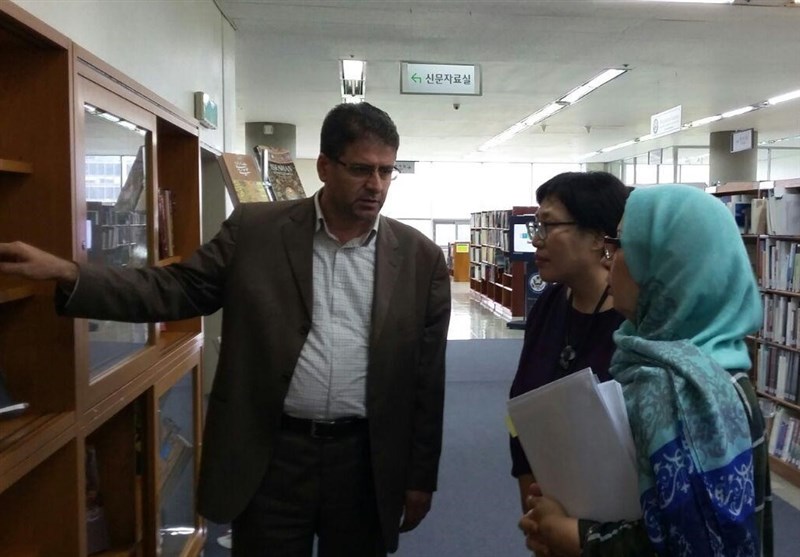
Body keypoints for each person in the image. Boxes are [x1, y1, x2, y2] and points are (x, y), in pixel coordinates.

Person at [0, 102, 451, 557]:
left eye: (386, 171)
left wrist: (420, 477)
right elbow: (174, 289)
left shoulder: (421, 259)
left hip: (365, 461)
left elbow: (427, 381)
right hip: (270, 456)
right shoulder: (256, 231)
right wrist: (71, 273)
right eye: (361, 169)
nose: (376, 185)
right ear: (324, 167)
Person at [519, 184, 773, 557]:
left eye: (621, 245)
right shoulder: (715, 363)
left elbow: (696, 546)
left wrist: (575, 537)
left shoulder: (682, 392)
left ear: (665, 265)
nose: (609, 261)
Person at [509, 171, 629, 511]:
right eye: (536, 226)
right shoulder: (549, 304)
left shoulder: (632, 320)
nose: (536, 240)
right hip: (543, 500)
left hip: (613, 511)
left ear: (597, 237)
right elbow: (524, 404)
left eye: (548, 226)